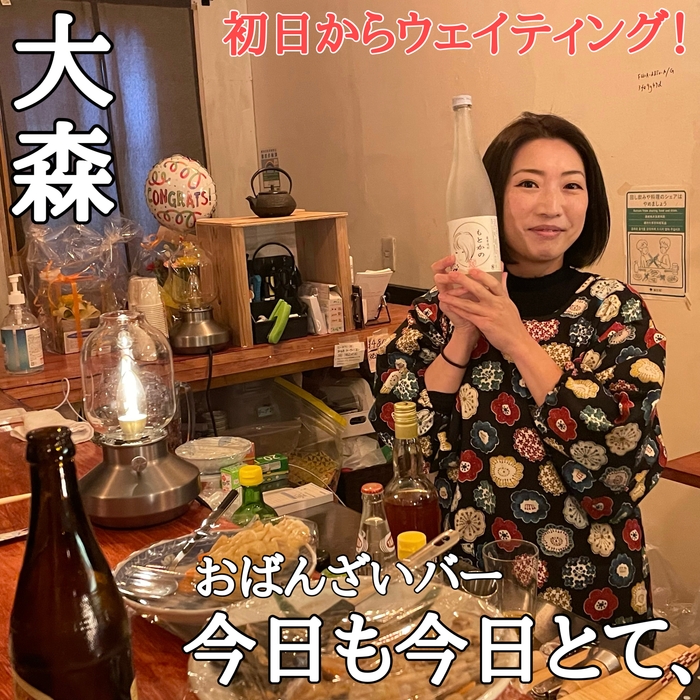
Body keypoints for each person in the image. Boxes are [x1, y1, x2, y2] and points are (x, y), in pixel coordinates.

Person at [371, 112, 666, 632]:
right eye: (528, 183)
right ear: (487, 200)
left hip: (588, 585)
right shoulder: (437, 311)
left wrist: (514, 337)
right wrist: (464, 332)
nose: (552, 206)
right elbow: (402, 440)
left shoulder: (614, 310)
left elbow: (617, 454)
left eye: (571, 186)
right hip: (467, 580)